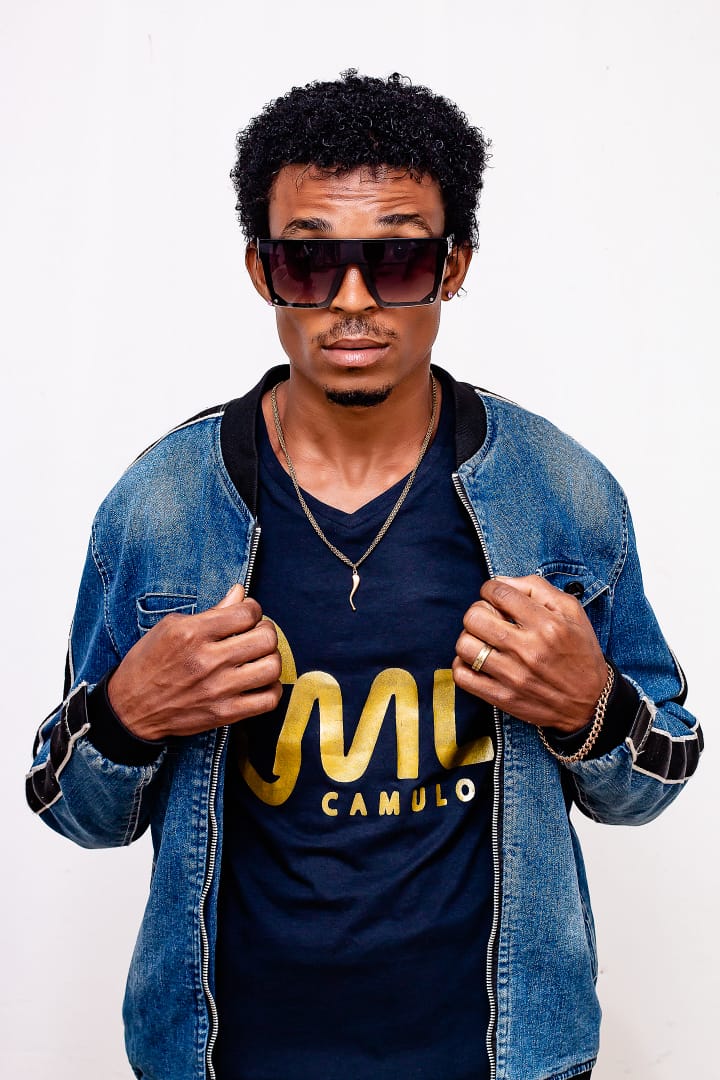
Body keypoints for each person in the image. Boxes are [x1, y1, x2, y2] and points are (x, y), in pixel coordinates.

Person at [26, 71, 702, 1080]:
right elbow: (72, 806)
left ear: (453, 265)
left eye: (396, 258)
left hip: (498, 1058)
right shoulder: (161, 507)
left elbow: (656, 777)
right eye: (308, 261)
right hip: (226, 1058)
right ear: (261, 269)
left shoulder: (559, 493)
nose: (351, 302)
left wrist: (593, 710)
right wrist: (126, 718)